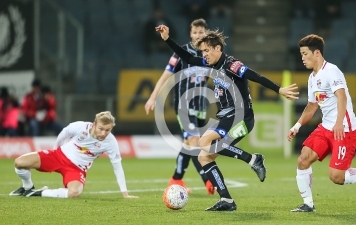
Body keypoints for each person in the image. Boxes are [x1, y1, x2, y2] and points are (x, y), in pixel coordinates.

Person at [156, 24, 299, 211]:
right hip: (227, 117)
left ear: (218, 48)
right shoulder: (210, 64)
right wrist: (168, 40)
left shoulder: (232, 64)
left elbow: (255, 76)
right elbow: (189, 58)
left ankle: (252, 159)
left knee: (205, 142)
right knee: (203, 157)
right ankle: (227, 200)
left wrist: (279, 89)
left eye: (207, 50)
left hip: (241, 117)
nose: (204, 54)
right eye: (203, 51)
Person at [287, 34, 356, 212]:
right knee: (303, 159)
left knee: (336, 177)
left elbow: (341, 97)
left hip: (345, 129)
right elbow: (311, 107)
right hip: (326, 127)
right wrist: (296, 126)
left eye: (304, 54)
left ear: (316, 53)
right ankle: (308, 204)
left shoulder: (331, 71)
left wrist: (339, 122)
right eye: (301, 54)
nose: (302, 58)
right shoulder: (312, 78)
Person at [145, 19, 214, 194]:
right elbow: (165, 75)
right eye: (195, 32)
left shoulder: (209, 54)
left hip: (200, 106)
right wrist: (152, 98)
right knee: (195, 142)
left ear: (206, 33)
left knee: (188, 145)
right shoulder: (181, 52)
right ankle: (208, 179)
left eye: (201, 32)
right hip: (183, 105)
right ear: (190, 34)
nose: (198, 35)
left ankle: (176, 178)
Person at [9, 111, 138, 199]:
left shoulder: (111, 142)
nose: (104, 133)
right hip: (59, 155)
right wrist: (55, 150)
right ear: (94, 125)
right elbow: (64, 134)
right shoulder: (79, 127)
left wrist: (124, 193)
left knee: (74, 193)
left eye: (108, 130)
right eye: (101, 129)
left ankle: (40, 192)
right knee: (19, 163)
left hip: (76, 168)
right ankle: (27, 187)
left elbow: (117, 166)